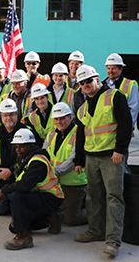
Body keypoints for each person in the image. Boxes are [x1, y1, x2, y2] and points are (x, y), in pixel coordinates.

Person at [74, 64, 131, 257]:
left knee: (114, 197)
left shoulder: (114, 97)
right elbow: (81, 136)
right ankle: (96, 230)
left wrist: (120, 149)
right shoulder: (82, 108)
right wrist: (79, 161)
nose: (86, 85)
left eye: (88, 81)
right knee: (93, 196)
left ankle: (113, 240)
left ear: (97, 79)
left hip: (111, 157)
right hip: (91, 157)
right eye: (82, 83)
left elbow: (125, 124)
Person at [0, 128, 64, 250]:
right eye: (16, 147)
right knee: (14, 226)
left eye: (21, 146)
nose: (18, 150)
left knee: (16, 196)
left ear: (31, 145)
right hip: (40, 196)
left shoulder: (37, 162)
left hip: (51, 198)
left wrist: (4, 190)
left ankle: (24, 237)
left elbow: (24, 185)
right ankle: (51, 218)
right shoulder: (26, 158)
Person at [43, 102, 87, 226]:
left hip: (74, 183)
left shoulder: (78, 133)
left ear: (70, 117)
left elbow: (73, 160)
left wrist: (52, 173)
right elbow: (44, 155)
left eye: (62, 118)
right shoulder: (51, 134)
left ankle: (96, 211)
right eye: (56, 119)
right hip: (56, 182)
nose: (59, 122)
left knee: (70, 219)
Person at [0, 99, 27, 215]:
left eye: (12, 114)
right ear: (1, 116)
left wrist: (11, 170)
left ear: (17, 114)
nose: (9, 118)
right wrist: (0, 173)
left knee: (17, 209)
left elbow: (29, 157)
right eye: (5, 115)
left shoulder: (25, 132)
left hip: (18, 179)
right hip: (0, 178)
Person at [102, 53, 139, 129]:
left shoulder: (130, 85)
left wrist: (128, 128)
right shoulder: (102, 85)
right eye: (109, 68)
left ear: (121, 69)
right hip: (105, 131)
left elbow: (133, 109)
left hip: (122, 129)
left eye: (114, 68)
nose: (111, 71)